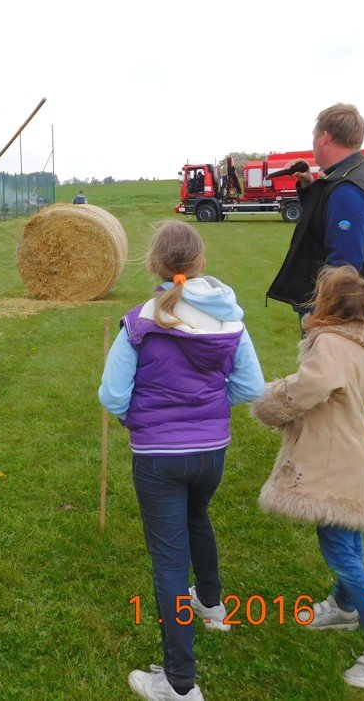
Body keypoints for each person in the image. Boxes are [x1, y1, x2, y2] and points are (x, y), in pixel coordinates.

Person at [99, 219, 264, 701]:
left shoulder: (140, 320)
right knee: (197, 518)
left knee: (169, 563)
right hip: (211, 453)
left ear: (154, 263)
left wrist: (140, 420)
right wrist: (207, 411)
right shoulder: (230, 318)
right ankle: (211, 605)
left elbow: (113, 396)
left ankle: (179, 684)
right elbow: (250, 386)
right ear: (200, 261)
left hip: (158, 458)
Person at [252, 265, 364, 689]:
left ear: (328, 305)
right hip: (353, 456)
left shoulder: (330, 343)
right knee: (348, 537)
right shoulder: (361, 343)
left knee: (340, 552)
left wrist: (272, 398)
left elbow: (311, 386)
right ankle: (344, 606)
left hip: (334, 464)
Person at [266, 103, 364, 533]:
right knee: (347, 402)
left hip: (340, 312)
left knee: (344, 404)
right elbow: (328, 220)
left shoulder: (348, 187)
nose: (313, 143)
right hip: (346, 309)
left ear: (326, 137)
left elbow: (343, 264)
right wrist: (308, 186)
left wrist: (321, 315)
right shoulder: (350, 178)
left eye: (315, 136)